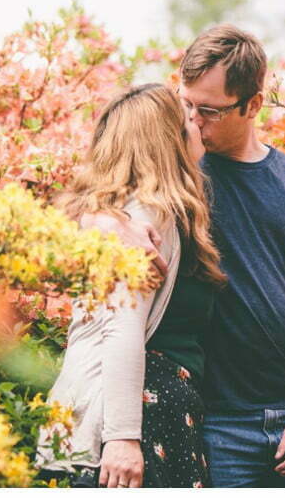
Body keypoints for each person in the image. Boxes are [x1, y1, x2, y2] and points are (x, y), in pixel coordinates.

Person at [100, 25, 285, 488]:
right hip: (216, 421)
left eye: (210, 111)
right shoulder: (178, 178)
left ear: (253, 105)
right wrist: (111, 225)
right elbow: (94, 199)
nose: (194, 121)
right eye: (187, 104)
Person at [35, 83, 227, 488]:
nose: (197, 121)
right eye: (187, 116)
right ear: (169, 138)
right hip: (140, 413)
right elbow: (121, 327)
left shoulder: (142, 217)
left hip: (156, 410)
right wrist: (122, 437)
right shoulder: (146, 218)